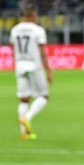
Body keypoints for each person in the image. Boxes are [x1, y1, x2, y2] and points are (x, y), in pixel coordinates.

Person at [9, 9, 52, 140]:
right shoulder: (37, 30)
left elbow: (13, 48)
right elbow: (42, 52)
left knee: (24, 99)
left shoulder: (15, 30)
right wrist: (48, 70)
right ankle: (27, 118)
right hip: (35, 66)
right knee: (43, 96)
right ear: (33, 15)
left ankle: (24, 133)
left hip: (20, 66)